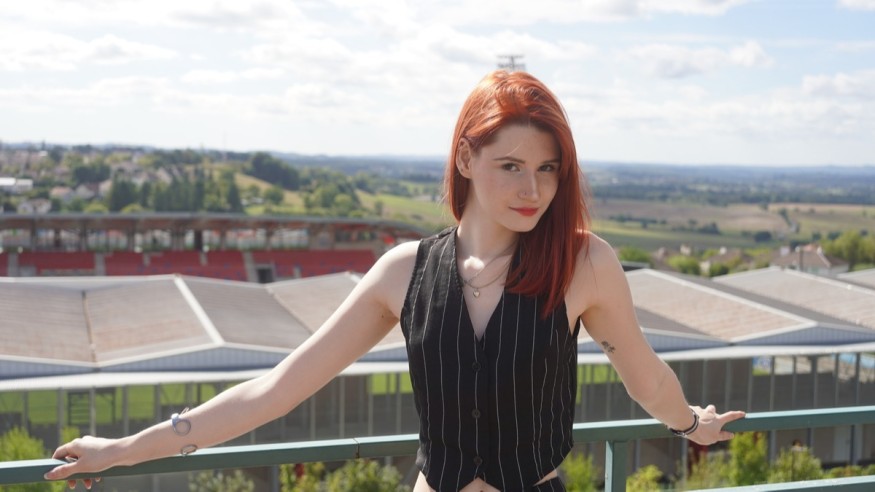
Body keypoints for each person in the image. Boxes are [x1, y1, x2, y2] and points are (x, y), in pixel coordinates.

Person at [44, 70, 745, 491]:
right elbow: (275, 390)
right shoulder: (403, 271)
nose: (532, 189)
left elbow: (644, 376)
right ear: (465, 159)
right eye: (510, 166)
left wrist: (692, 424)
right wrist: (124, 450)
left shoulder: (584, 262)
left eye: (547, 169)